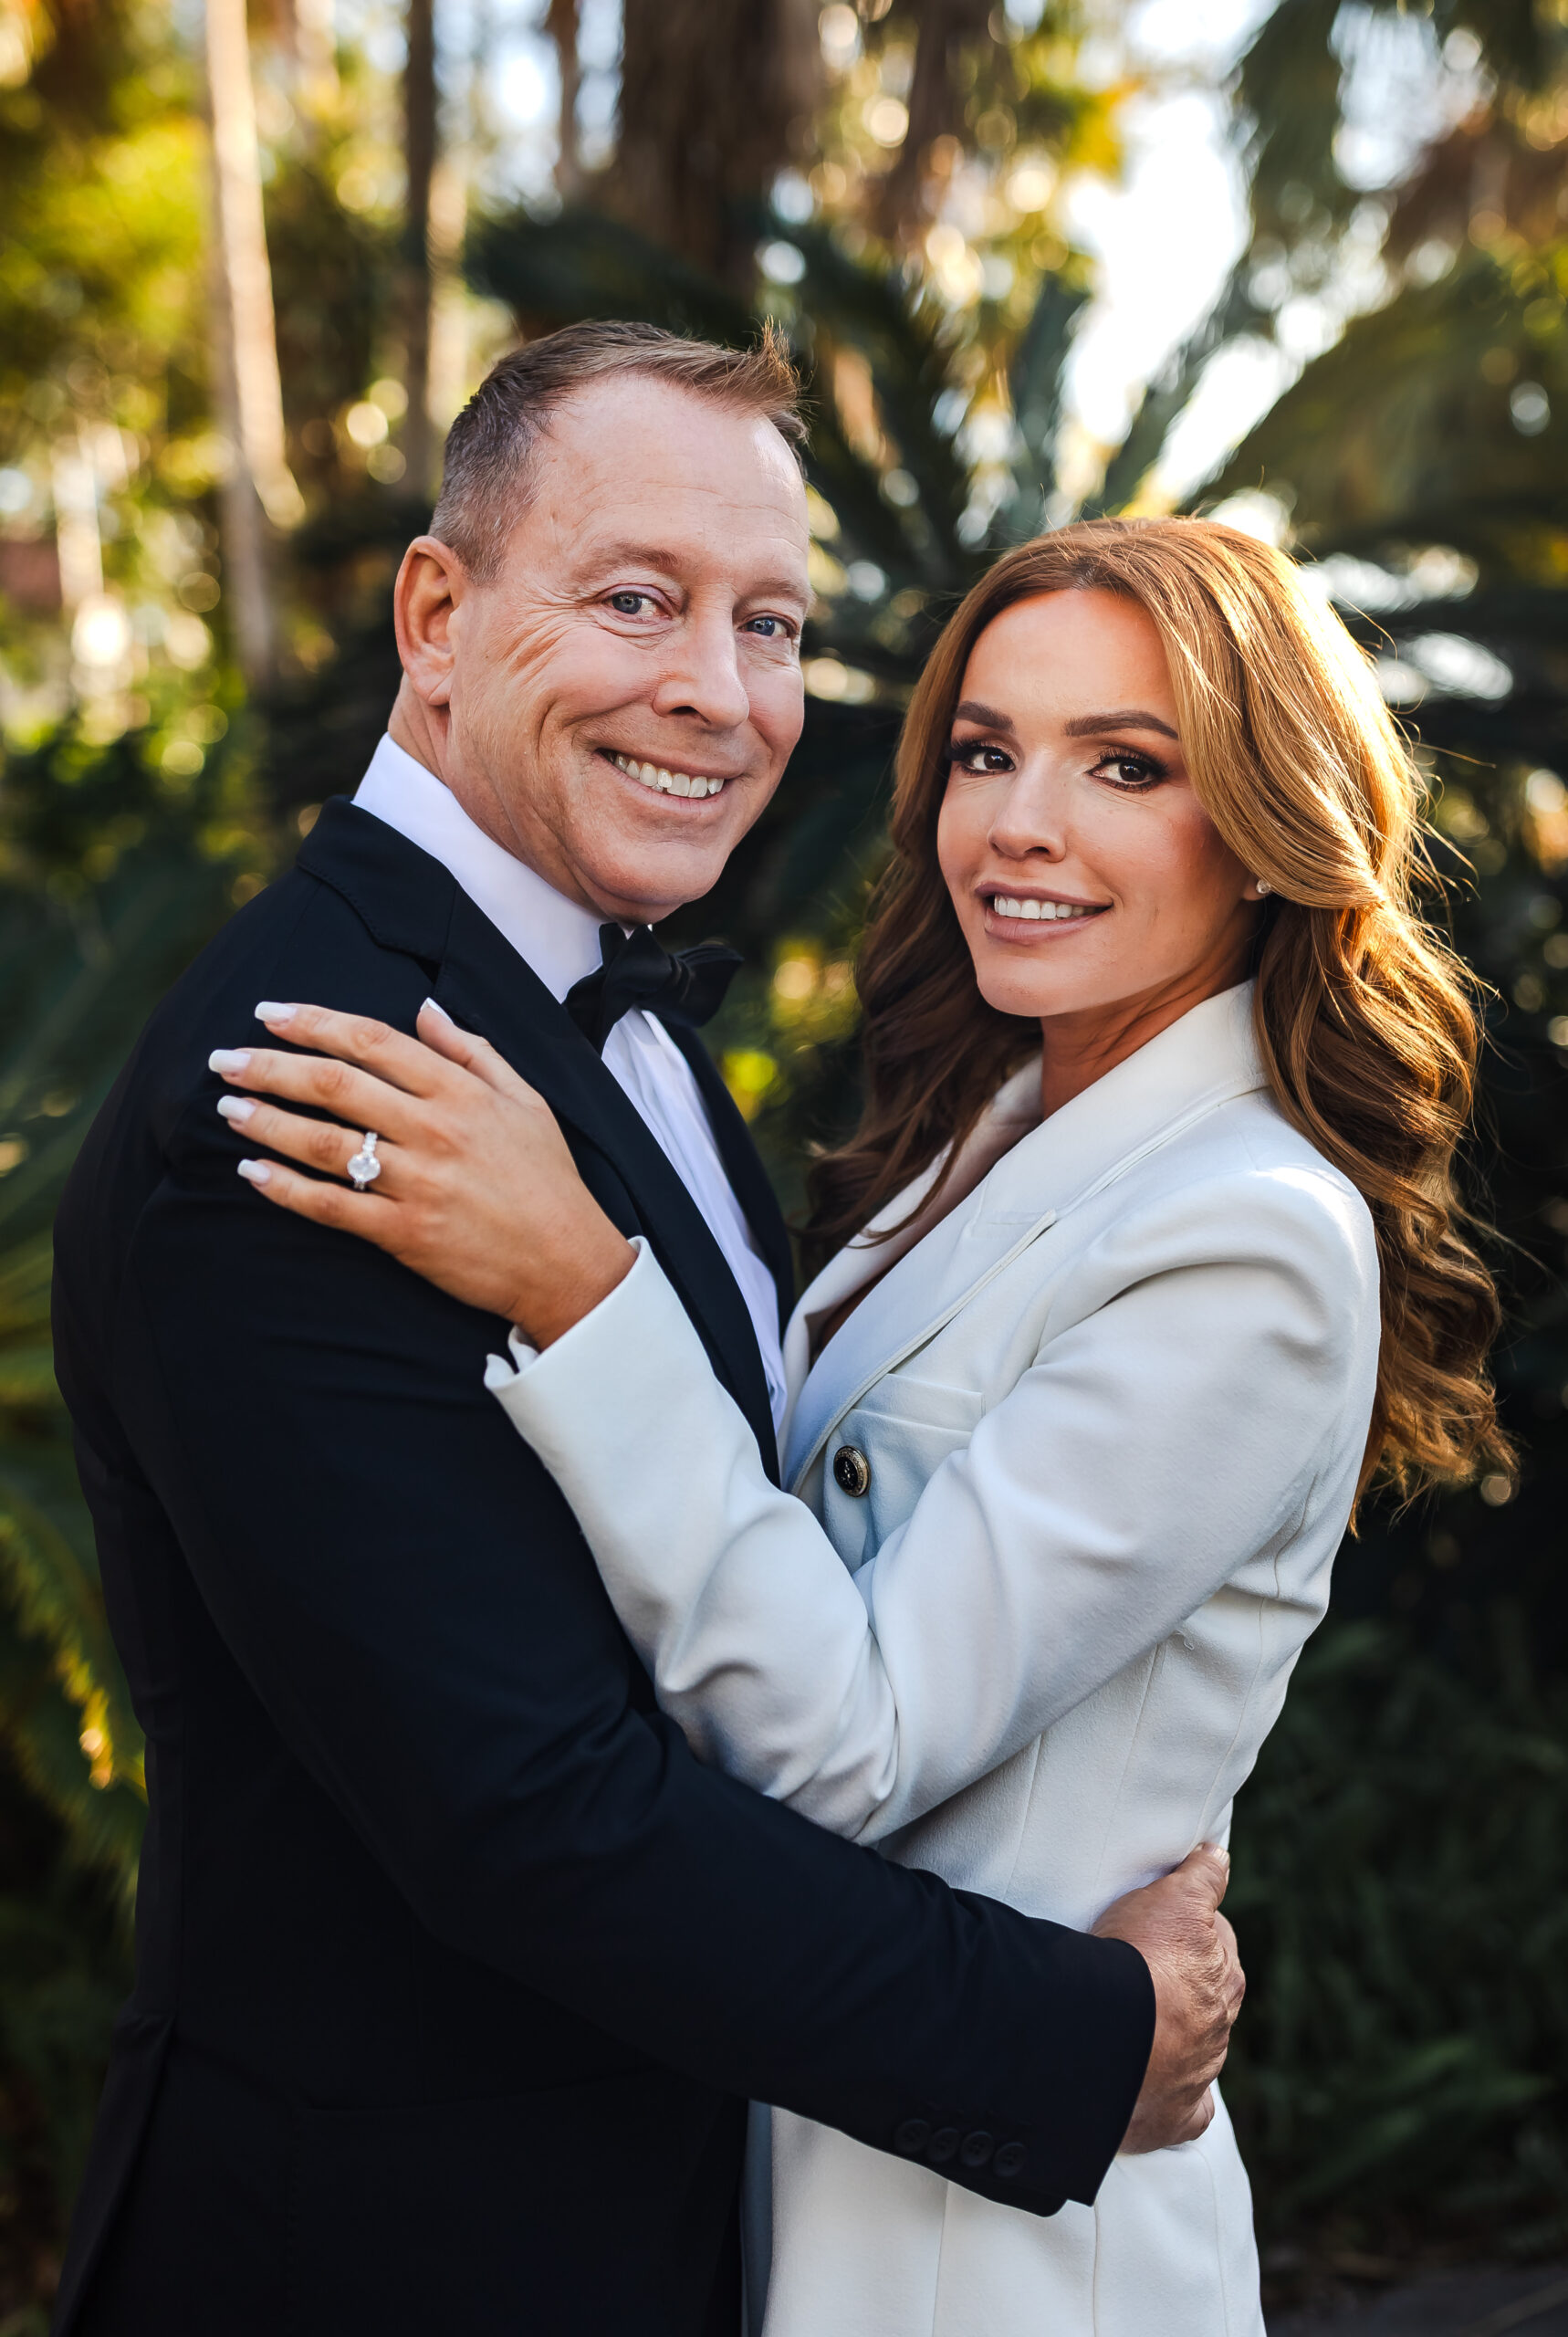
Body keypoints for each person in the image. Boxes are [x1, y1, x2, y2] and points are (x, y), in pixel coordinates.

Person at [49, 330, 1241, 2337]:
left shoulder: (598, 992)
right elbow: (534, 1814)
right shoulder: (311, 1080)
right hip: (392, 2250)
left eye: (767, 620)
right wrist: (1067, 2033)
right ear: (437, 613)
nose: (719, 690)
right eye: (634, 601)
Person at [218, 513, 1512, 2336]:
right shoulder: (984, 1128)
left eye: (1123, 763)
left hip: (991, 2251)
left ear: (1262, 823)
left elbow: (855, 1733)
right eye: (985, 750)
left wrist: (583, 1288)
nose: (1019, 823)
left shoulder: (1250, 1234)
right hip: (798, 2160)